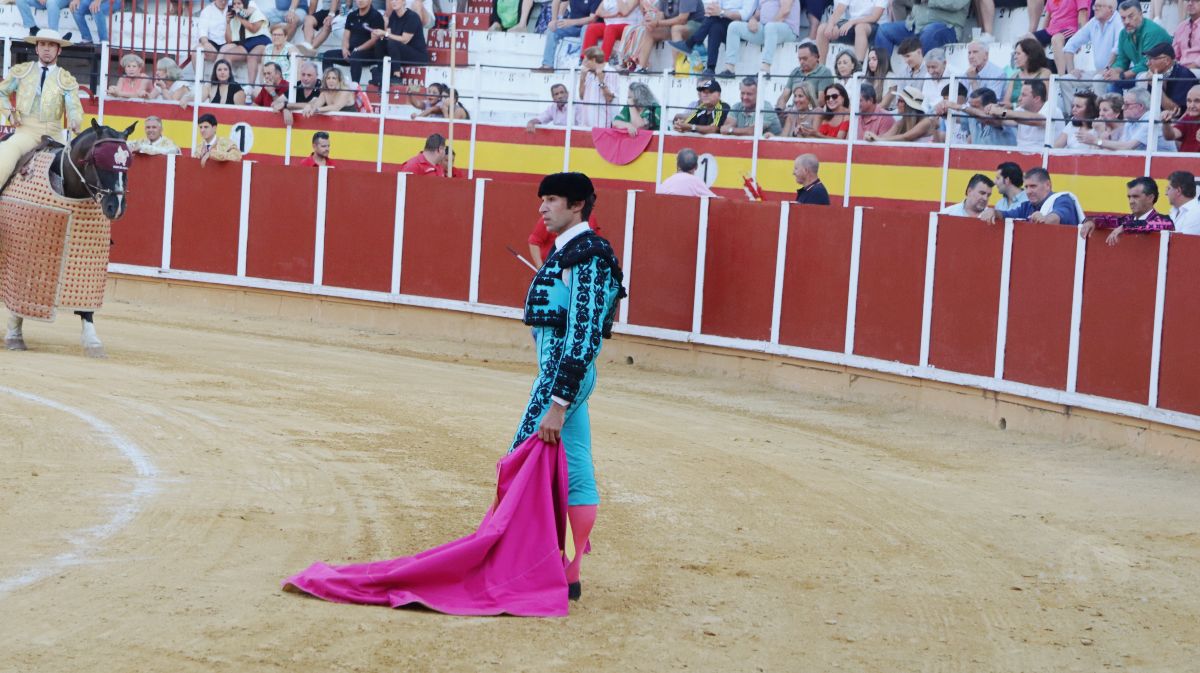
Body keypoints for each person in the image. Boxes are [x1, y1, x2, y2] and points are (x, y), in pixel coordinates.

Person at [512, 171, 625, 603]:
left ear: (577, 205)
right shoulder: (570, 252)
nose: (542, 208)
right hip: (559, 373)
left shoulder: (588, 254)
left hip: (562, 375)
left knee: (522, 460)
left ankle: (527, 562)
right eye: (542, 199)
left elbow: (583, 334)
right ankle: (567, 572)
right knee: (575, 466)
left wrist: (558, 401)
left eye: (552, 199)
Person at [0, 30, 82, 189]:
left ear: (59, 50)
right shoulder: (22, 71)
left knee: (75, 169)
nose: (46, 49)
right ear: (36, 48)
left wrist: (75, 120)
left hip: (54, 137)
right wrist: (9, 114)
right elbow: (1, 92)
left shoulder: (66, 78)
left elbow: (74, 106)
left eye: (51, 45)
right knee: (6, 153)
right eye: (42, 44)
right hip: (26, 133)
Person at [667, 0, 754, 76]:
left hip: (742, 29)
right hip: (725, 26)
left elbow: (745, 15)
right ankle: (710, 68)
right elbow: (717, 8)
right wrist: (712, 10)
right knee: (715, 26)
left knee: (714, 19)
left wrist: (721, 12)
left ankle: (691, 43)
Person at [1078, 177, 1173, 245]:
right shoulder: (1127, 220)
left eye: (1136, 197)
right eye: (1129, 197)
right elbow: (1108, 220)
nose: (1131, 201)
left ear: (1150, 198)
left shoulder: (1163, 221)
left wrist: (1125, 227)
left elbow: (1152, 224)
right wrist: (1092, 221)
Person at [720, 0, 802, 76]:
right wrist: (752, 20)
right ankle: (729, 68)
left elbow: (785, 11)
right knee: (734, 26)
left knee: (770, 27)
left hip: (787, 29)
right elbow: (758, 12)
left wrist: (769, 26)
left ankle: (765, 68)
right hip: (767, 29)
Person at [1106, 0, 1171, 93]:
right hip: (1140, 71)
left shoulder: (1151, 31)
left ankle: (1141, 106)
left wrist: (1121, 76)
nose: (1127, 21)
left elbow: (1147, 63)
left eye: (1131, 16)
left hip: (1161, 71)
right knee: (1104, 79)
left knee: (1141, 77)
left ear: (1141, 14)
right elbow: (1122, 61)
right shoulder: (1123, 34)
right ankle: (1112, 107)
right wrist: (1113, 71)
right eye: (1123, 18)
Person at [981, 167, 1084, 225]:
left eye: (1033, 186)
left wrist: (1045, 218)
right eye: (1026, 187)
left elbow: (1057, 217)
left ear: (1048, 185)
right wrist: (993, 212)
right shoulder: (1026, 206)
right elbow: (1006, 214)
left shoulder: (1062, 200)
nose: (1028, 191)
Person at [321, 0, 384, 87]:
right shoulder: (352, 15)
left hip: (369, 53)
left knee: (355, 56)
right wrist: (344, 49)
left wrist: (358, 49)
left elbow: (374, 40)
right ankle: (327, 88)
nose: (360, 1)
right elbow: (346, 36)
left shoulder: (376, 16)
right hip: (352, 52)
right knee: (327, 56)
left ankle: (355, 89)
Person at [873, 0, 967, 56]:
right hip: (915, 26)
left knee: (929, 32)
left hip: (946, 27)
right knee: (884, 30)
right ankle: (881, 75)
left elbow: (956, 4)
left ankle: (921, 74)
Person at [533, 0, 603, 73]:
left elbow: (592, 19)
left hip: (591, 26)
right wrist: (554, 20)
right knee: (552, 31)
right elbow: (556, 1)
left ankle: (585, 64)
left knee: (585, 28)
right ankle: (547, 66)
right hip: (573, 26)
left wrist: (570, 22)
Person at [633, 0, 702, 74]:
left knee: (676, 29)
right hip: (673, 26)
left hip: (696, 25)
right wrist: (651, 22)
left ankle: (676, 68)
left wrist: (657, 23)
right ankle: (642, 67)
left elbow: (682, 19)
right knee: (651, 31)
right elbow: (661, 14)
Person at [988, 80, 1059, 151]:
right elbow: (1005, 119)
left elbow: (1036, 120)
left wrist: (1002, 111)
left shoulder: (1051, 109)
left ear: (1037, 99)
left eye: (1023, 95)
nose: (1019, 99)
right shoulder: (1021, 109)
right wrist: (990, 110)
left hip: (1045, 157)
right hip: (1022, 156)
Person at [373, 0, 430, 78]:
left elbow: (405, 40)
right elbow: (388, 35)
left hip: (418, 55)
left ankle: (397, 75)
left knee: (392, 43)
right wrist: (381, 34)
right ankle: (381, 69)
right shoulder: (393, 15)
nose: (393, 2)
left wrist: (384, 33)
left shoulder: (412, 17)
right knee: (380, 42)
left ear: (404, 2)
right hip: (400, 51)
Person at [1062, 0, 1119, 78]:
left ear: (1110, 9)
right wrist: (1071, 71)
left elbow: (1117, 49)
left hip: (1115, 72)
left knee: (1098, 78)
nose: (1095, 9)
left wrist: (1106, 68)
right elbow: (1070, 45)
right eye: (1094, 6)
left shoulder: (1119, 21)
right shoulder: (1094, 21)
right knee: (1067, 79)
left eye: (1099, 6)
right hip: (1098, 72)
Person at [221, 0, 272, 87]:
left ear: (244, 4)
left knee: (252, 56)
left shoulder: (256, 12)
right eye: (234, 4)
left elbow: (253, 29)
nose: (236, 6)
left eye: (239, 3)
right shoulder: (234, 17)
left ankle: (250, 87)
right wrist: (228, 23)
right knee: (227, 55)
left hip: (261, 40)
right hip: (246, 43)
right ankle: (229, 84)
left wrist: (240, 18)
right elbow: (229, 40)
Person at [815, 0, 884, 63]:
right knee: (822, 28)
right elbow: (837, 12)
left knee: (860, 28)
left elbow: (874, 17)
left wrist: (852, 22)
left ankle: (858, 68)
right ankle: (820, 69)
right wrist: (830, 25)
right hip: (852, 25)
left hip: (875, 27)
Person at [1031, 0, 1088, 74]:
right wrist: (1041, 39)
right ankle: (1035, 74)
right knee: (1027, 39)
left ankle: (1062, 76)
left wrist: (1079, 39)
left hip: (1070, 29)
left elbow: (1083, 14)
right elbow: (1047, 17)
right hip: (1051, 30)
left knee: (1056, 39)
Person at [945, 86, 1016, 146]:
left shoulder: (1002, 114)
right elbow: (954, 117)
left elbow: (987, 117)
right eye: (970, 106)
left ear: (989, 106)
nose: (971, 109)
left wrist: (959, 107)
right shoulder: (971, 117)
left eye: (975, 107)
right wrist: (943, 110)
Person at [864, 86, 935, 141]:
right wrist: (871, 137)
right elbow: (885, 136)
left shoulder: (925, 122)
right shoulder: (901, 122)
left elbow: (906, 137)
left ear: (909, 106)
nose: (897, 104)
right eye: (898, 100)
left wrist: (878, 139)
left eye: (900, 101)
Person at [776, 42, 834, 110]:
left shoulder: (824, 72)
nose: (801, 62)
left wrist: (803, 110)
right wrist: (780, 109)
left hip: (813, 114)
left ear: (816, 57)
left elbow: (821, 102)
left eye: (805, 58)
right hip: (793, 113)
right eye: (799, 59)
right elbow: (784, 96)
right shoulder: (795, 72)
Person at [1143, 43, 1198, 114]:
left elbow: (1176, 111)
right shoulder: (1155, 74)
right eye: (1147, 59)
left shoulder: (1184, 76)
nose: (1148, 63)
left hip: (1180, 122)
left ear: (1167, 61)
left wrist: (1156, 86)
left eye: (1151, 59)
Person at [1001, 38, 1052, 110]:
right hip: (1013, 118)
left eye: (1018, 53)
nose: (1015, 57)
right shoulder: (1015, 76)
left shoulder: (1045, 73)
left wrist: (1014, 106)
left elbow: (1045, 102)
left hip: (1034, 118)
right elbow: (1005, 107)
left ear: (1030, 55)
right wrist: (1003, 116)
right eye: (1015, 53)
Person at [575, 46, 619, 128]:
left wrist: (601, 81)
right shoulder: (588, 73)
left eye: (585, 60)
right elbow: (581, 96)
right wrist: (582, 79)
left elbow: (609, 98)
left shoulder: (611, 72)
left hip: (602, 124)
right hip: (585, 124)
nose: (583, 63)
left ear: (593, 60)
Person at [1160, 84, 1200, 153]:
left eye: (1197, 101)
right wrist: (1166, 123)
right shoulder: (1188, 117)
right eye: (1189, 101)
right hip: (1184, 162)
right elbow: (1170, 136)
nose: (1192, 105)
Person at [1175, 0, 1200, 69]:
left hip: (1197, 69)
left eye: (1195, 1)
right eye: (1187, 0)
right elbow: (1174, 54)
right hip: (1181, 68)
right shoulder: (1181, 26)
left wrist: (1191, 67)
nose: (1190, 3)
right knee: (1144, 76)